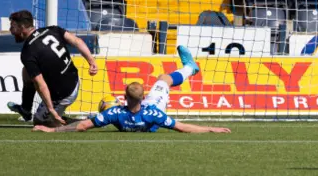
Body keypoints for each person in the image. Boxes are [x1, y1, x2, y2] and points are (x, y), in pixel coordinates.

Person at [33, 45, 231, 134]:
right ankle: (190, 68)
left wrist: (53, 130)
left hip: (133, 114)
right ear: (143, 97)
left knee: (163, 79)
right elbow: (182, 127)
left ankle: (191, 68)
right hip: (154, 109)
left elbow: (83, 126)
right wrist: (210, 128)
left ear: (124, 98)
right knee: (163, 79)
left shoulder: (114, 113)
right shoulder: (154, 112)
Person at [6, 10, 98, 126]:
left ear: (22, 27)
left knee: (41, 122)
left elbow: (40, 84)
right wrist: (92, 61)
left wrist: (50, 109)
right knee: (27, 71)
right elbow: (77, 41)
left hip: (63, 94)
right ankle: (26, 109)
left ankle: (89, 121)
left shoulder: (28, 52)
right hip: (73, 79)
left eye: (13, 27)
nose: (11, 31)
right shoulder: (52, 29)